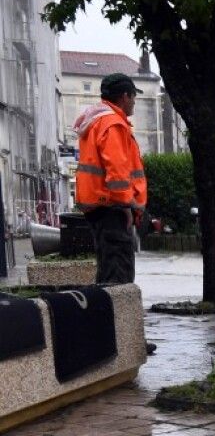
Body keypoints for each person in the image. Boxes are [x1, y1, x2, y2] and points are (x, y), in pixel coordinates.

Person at [73, 72, 147, 285]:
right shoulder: (113, 124)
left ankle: (105, 313)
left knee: (108, 265)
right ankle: (114, 315)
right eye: (133, 96)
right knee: (118, 271)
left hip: (100, 205)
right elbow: (117, 171)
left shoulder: (96, 120)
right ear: (124, 96)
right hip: (112, 206)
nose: (134, 102)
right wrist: (127, 204)